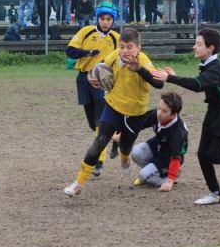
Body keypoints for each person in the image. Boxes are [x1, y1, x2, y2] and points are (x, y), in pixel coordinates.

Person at [152, 28, 220, 205]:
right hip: (214, 111)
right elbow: (198, 82)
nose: (194, 47)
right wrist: (176, 77)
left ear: (211, 48)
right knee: (202, 154)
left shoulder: (216, 66)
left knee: (213, 155)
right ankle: (215, 193)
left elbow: (198, 85)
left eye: (199, 44)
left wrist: (170, 78)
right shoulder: (207, 64)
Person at [64, 28, 163, 197]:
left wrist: (138, 69)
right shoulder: (115, 56)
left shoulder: (144, 60)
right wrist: (92, 76)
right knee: (100, 141)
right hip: (113, 106)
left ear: (139, 47)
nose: (125, 51)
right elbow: (99, 67)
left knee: (125, 149)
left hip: (135, 113)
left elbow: (158, 84)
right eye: (122, 46)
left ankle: (125, 158)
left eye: (129, 47)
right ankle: (78, 183)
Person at [65, 2, 121, 178]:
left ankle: (99, 160)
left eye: (109, 19)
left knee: (99, 121)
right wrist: (87, 53)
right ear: (97, 18)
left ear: (113, 20)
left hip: (102, 82)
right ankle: (115, 138)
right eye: (102, 18)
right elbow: (69, 51)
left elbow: (121, 61)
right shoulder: (86, 31)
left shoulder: (116, 38)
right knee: (92, 123)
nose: (105, 22)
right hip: (83, 79)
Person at [131, 91, 188, 191]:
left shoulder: (177, 133)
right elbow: (140, 123)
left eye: (164, 111)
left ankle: (168, 176)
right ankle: (153, 172)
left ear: (173, 115)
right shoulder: (157, 115)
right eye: (159, 108)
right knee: (135, 152)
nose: (159, 113)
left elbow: (175, 158)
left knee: (144, 175)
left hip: (169, 157)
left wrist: (170, 182)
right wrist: (122, 134)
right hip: (158, 145)